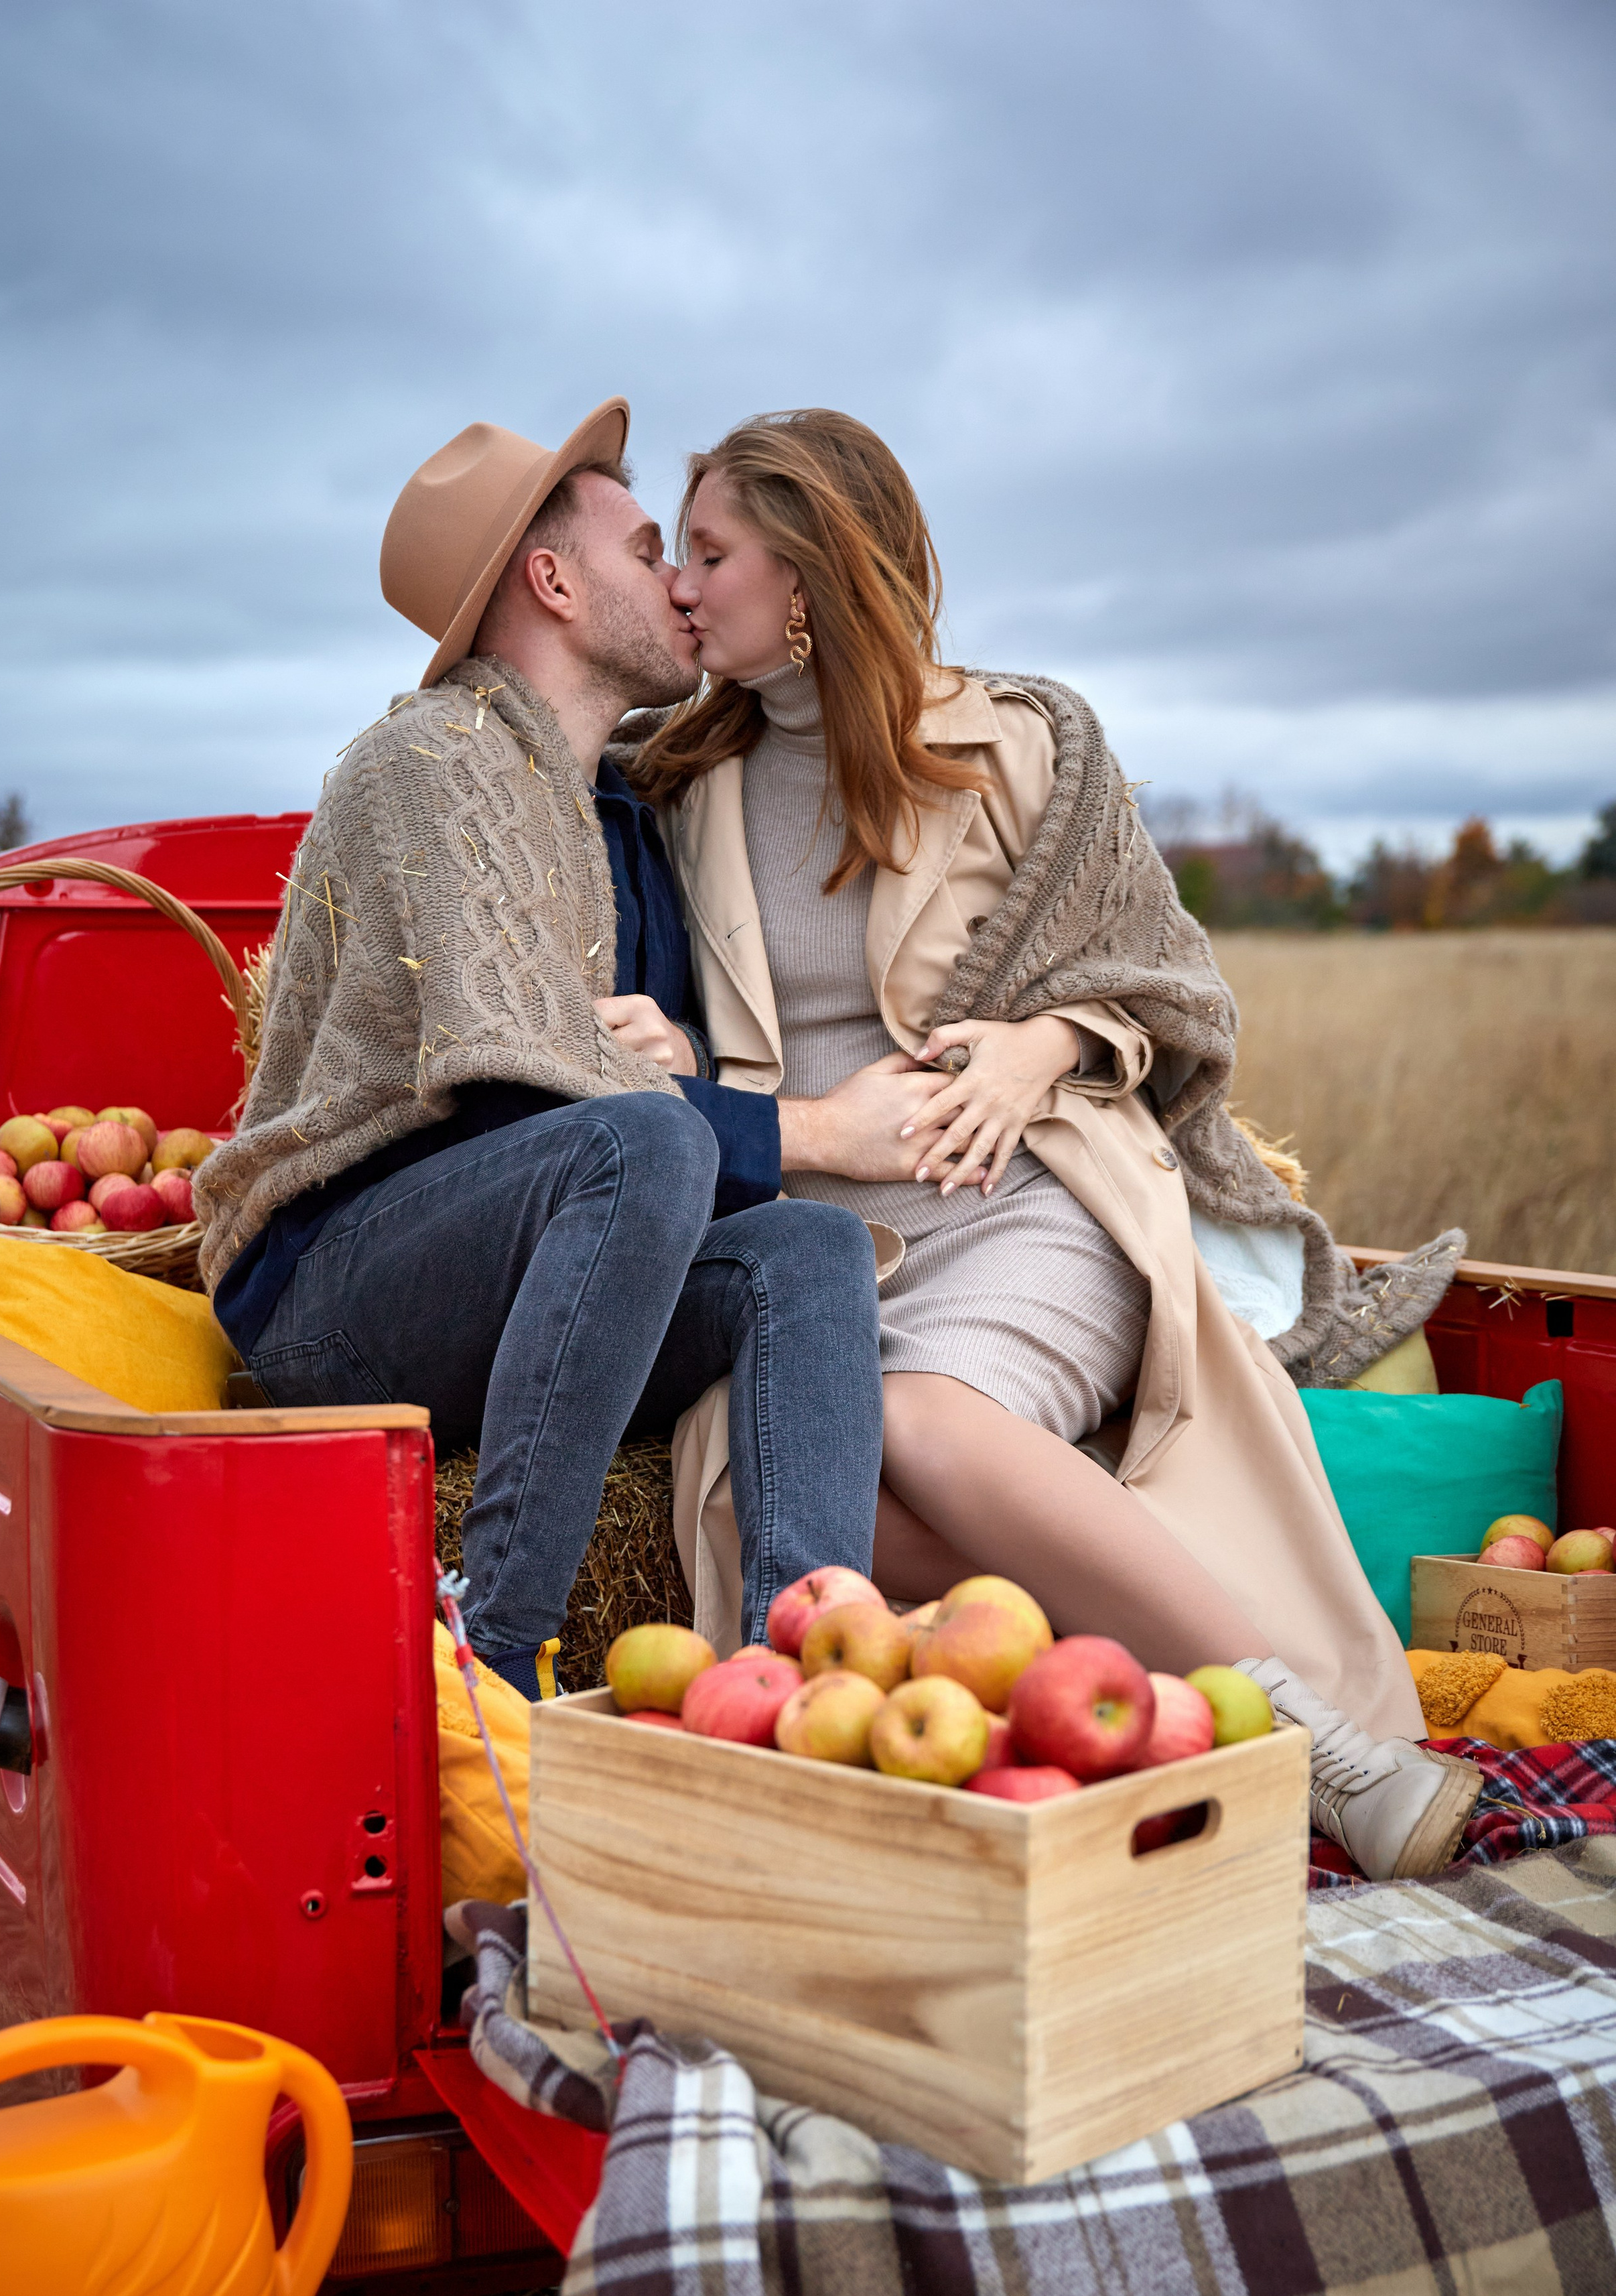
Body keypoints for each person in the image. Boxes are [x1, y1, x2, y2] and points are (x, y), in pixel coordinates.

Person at [630, 407, 1476, 1880]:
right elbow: (653, 1039)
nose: (680, 584)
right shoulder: (666, 786)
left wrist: (1042, 1046)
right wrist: (668, 1060)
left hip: (1021, 1203)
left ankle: (1317, 1749)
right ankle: (1172, 1698)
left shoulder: (1020, 742)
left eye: (710, 552)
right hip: (810, 1242)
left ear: (812, 576)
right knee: (755, 1485)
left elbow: (1168, 989)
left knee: (919, 1422)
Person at [196, 399, 899, 1696]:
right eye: (649, 552)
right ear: (554, 580)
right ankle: (492, 1656)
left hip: (528, 1280)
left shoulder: (621, 813)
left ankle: (801, 1676)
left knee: (807, 1247)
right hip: (329, 1293)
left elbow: (633, 1081)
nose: (683, 589)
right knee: (637, 1145)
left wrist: (674, 1052)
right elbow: (530, 1091)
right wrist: (809, 1128)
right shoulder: (430, 763)